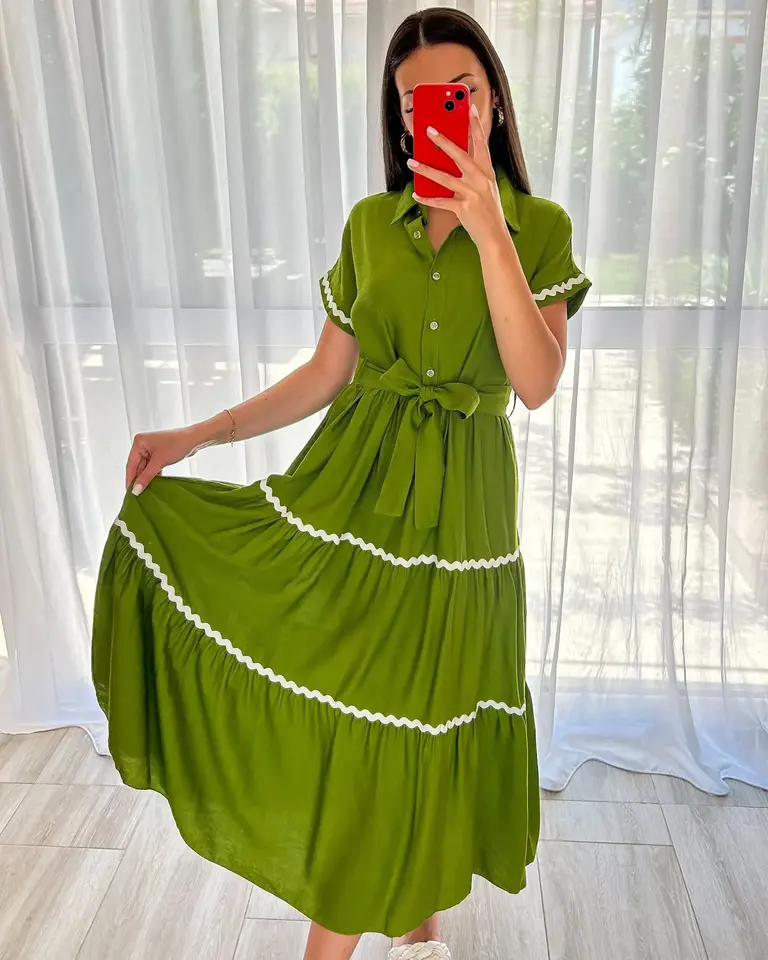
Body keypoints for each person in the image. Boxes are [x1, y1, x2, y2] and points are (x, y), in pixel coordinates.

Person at [92, 8, 591, 960]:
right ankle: (408, 943)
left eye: (457, 93)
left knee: (423, 726)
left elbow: (535, 383)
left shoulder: (540, 230)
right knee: (378, 731)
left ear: (492, 100)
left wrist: (490, 231)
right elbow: (326, 374)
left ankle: (417, 939)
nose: (432, 114)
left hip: (464, 523)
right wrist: (196, 435)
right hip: (351, 498)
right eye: (412, 103)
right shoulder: (372, 225)